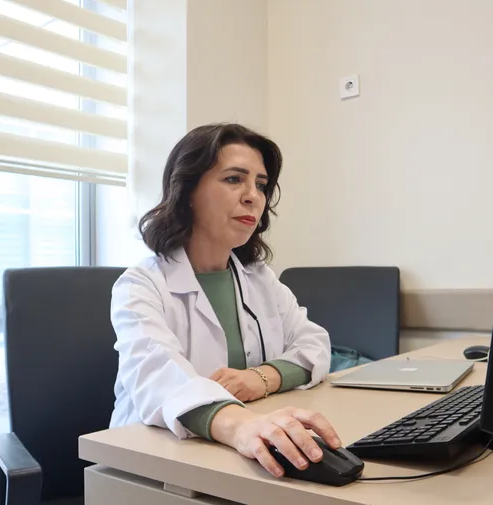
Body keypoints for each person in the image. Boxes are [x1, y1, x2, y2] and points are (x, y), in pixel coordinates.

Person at [109, 123, 342, 479]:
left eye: (261, 185)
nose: (253, 197)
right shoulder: (141, 284)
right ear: (187, 190)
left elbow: (314, 345)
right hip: (151, 462)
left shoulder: (259, 277)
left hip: (235, 457)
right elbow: (160, 377)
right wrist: (242, 427)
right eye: (234, 179)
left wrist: (262, 378)